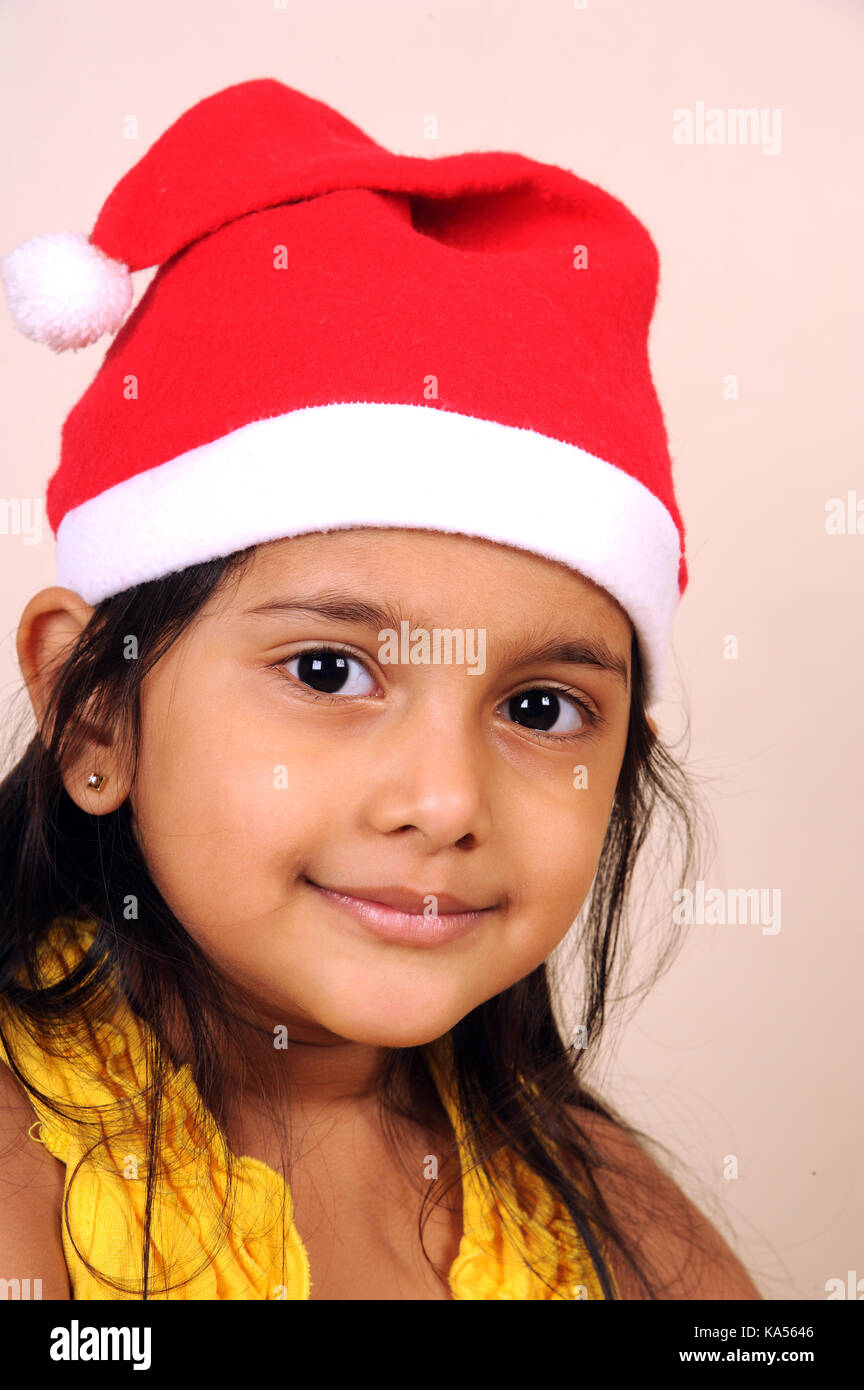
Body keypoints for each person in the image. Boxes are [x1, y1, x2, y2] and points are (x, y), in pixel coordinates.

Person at [0, 78, 761, 1301]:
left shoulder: (621, 1224)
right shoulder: (25, 1183)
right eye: (327, 671)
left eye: (541, 707)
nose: (445, 800)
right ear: (96, 712)